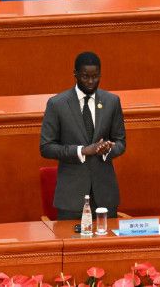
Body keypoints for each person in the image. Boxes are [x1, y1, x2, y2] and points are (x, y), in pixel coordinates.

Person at [40, 52, 127, 219]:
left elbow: (121, 142)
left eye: (95, 77)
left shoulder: (112, 101)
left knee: (107, 245)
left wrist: (107, 149)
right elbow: (46, 147)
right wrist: (82, 151)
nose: (90, 82)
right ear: (75, 74)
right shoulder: (57, 104)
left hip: (105, 195)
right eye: (85, 76)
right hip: (71, 197)